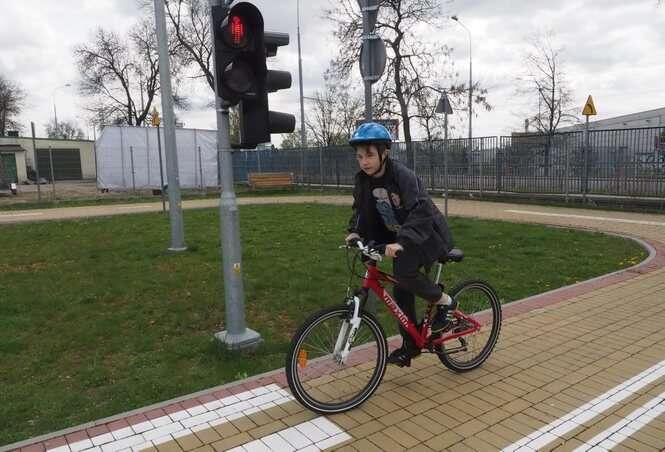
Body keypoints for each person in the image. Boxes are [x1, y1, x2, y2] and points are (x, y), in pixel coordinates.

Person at [345, 122, 456, 367]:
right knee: (400, 290)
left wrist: (402, 242)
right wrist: (355, 232)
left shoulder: (402, 176)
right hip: (397, 236)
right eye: (360, 157)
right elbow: (362, 210)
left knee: (404, 272)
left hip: (425, 235)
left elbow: (420, 210)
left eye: (369, 155)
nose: (364, 162)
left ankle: (446, 303)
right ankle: (411, 345)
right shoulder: (363, 180)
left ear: (384, 153)